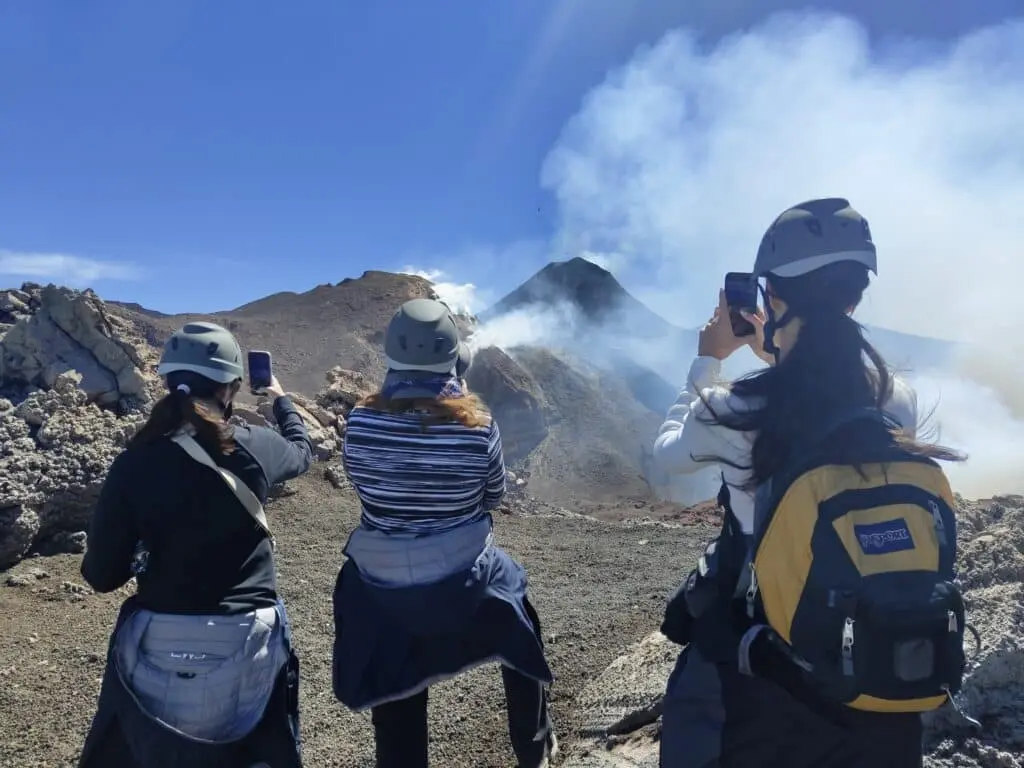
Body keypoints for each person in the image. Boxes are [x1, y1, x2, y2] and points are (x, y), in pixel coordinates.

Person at [651, 198, 966, 768]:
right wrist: (779, 348)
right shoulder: (897, 398)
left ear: (772, 299)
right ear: (854, 297)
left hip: (766, 687)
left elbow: (666, 454)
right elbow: (824, 390)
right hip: (877, 672)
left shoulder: (735, 410)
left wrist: (708, 360)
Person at [331, 298, 557, 768]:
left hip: (381, 582)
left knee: (396, 676)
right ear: (453, 360)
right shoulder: (479, 430)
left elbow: (364, 491)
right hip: (462, 577)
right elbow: (492, 497)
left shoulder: (360, 424)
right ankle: (533, 745)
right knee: (518, 611)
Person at [77, 321, 314, 768]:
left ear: (166, 381)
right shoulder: (255, 449)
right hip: (249, 635)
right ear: (232, 388)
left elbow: (102, 576)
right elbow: (302, 452)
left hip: (157, 637)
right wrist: (281, 399)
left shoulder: (134, 462)